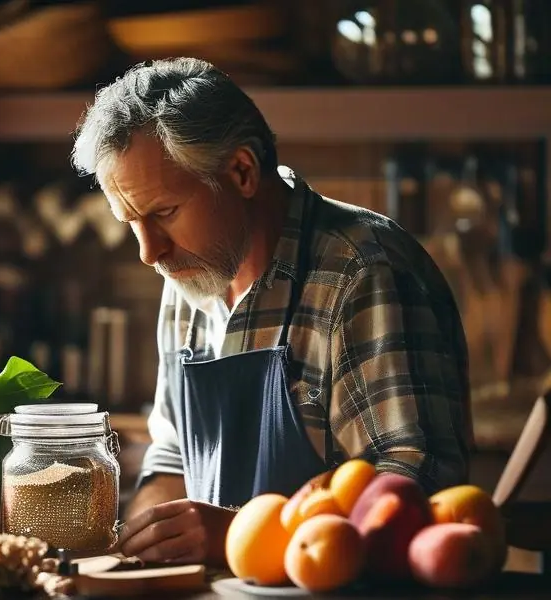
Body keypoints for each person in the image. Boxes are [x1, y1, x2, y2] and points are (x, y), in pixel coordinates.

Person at [71, 58, 471, 567]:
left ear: (242, 171)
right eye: (131, 221)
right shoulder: (190, 276)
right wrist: (144, 540)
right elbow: (173, 456)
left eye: (164, 212)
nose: (149, 252)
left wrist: (239, 536)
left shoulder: (365, 272)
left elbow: (420, 483)